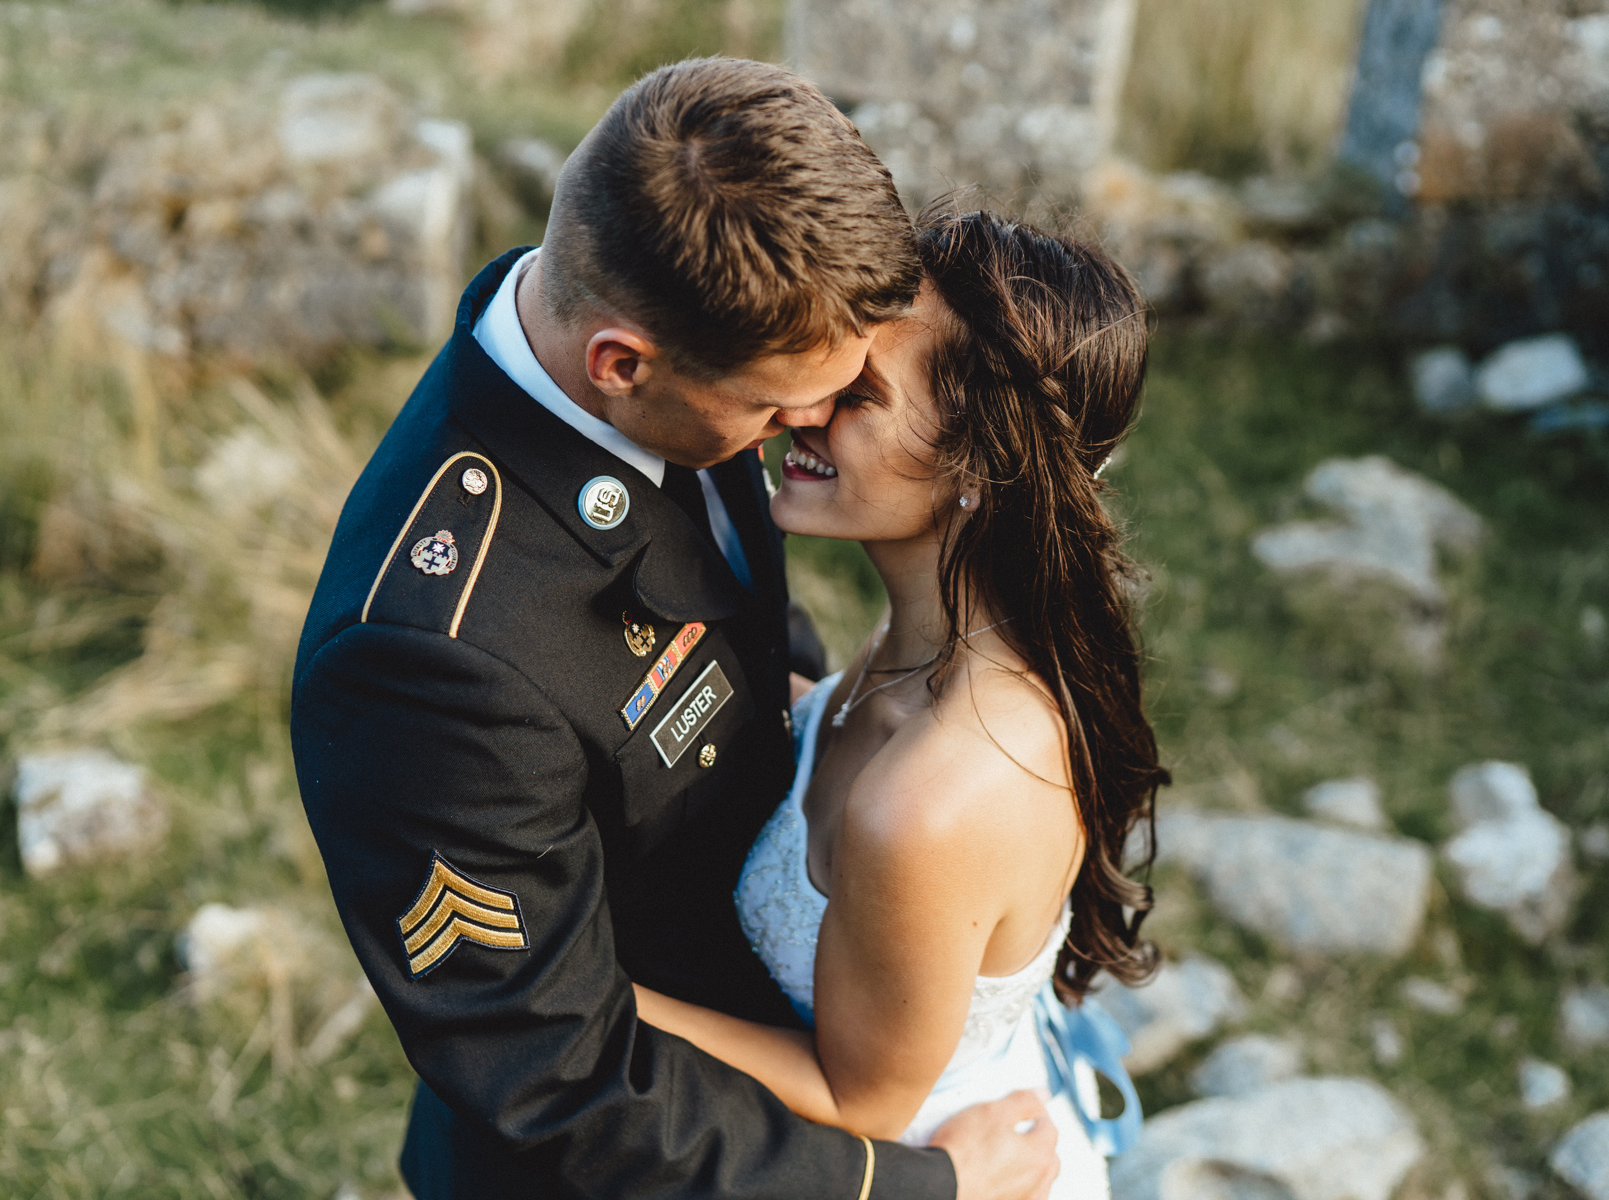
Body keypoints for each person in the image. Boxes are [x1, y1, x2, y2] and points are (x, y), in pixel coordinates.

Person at [290, 59, 1060, 1200]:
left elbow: (728, 609)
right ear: (621, 364)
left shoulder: (681, 362)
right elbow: (558, 1079)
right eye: (773, 409)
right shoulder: (432, 656)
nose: (808, 428)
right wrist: (911, 1189)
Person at [632, 209, 1170, 1200]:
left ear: (977, 468)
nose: (802, 407)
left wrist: (576, 1001)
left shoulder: (930, 801)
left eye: (857, 391)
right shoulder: (933, 644)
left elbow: (861, 1102)